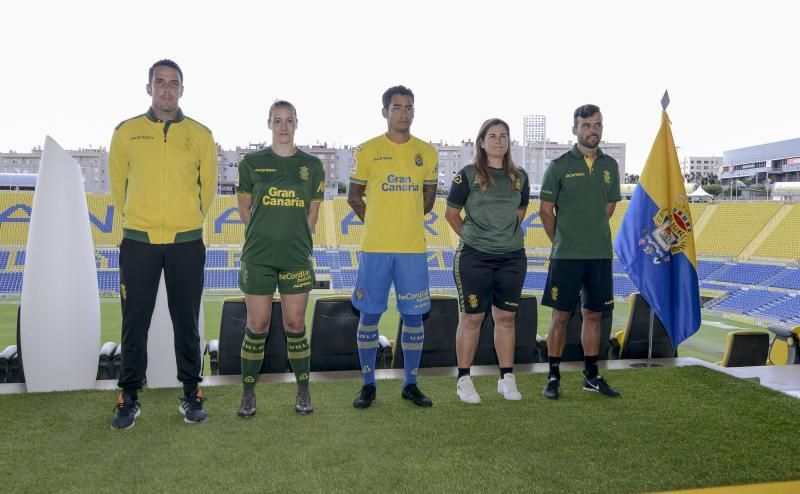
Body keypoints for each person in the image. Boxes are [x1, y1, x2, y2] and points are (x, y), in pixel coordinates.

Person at [109, 59, 217, 429]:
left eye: (174, 83)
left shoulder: (200, 135)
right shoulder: (126, 132)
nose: (167, 89)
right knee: (133, 323)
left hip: (186, 243)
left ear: (182, 90)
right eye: (160, 82)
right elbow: (117, 185)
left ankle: (191, 393)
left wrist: (188, 221)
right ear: (149, 88)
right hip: (139, 242)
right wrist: (138, 221)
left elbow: (209, 189)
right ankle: (129, 396)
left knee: (186, 323)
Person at [347, 85, 438, 408]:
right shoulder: (367, 150)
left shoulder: (426, 152)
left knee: (413, 319)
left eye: (409, 107)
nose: (404, 113)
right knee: (369, 316)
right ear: (385, 111)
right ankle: (368, 384)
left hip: (412, 249)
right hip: (376, 248)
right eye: (397, 107)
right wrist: (378, 222)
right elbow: (353, 196)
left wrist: (407, 218)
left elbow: (428, 197)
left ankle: (410, 384)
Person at [235, 100, 324, 417]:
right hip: (258, 256)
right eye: (277, 120)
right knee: (257, 325)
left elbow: (312, 213)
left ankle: (302, 389)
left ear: (297, 123)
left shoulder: (312, 165)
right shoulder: (251, 163)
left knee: (295, 323)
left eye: (289, 120)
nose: (283, 126)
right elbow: (244, 209)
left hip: (296, 257)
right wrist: (266, 233)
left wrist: (292, 237)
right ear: (269, 124)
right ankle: (248, 394)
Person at [539, 104, 621, 400]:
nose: (592, 130)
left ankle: (591, 375)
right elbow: (546, 211)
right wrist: (563, 239)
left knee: (594, 315)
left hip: (599, 254)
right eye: (586, 125)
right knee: (561, 316)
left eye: (597, 125)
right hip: (566, 256)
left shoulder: (610, 165)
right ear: (575, 129)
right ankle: (552, 376)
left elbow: (609, 207)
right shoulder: (558, 166)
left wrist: (589, 232)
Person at [444, 118, 530, 404]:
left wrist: (502, 238)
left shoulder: (520, 177)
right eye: (492, 135)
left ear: (509, 142)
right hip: (475, 256)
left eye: (503, 136)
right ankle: (464, 379)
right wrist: (476, 238)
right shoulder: (467, 174)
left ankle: (506, 378)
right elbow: (451, 215)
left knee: (506, 317)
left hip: (511, 256)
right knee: (472, 318)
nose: (498, 141)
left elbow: (519, 213)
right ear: (481, 142)